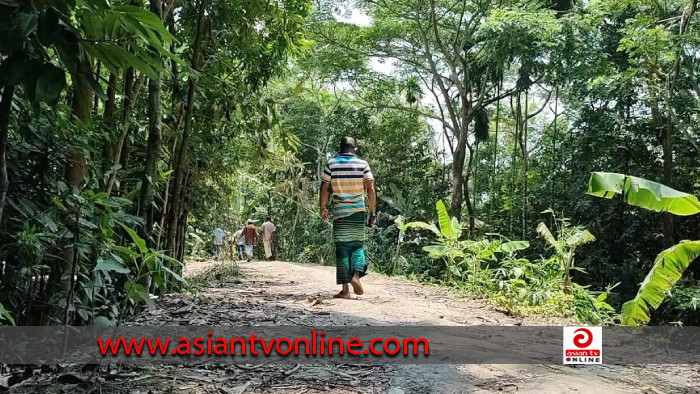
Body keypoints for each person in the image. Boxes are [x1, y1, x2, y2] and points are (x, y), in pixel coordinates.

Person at [319, 137, 376, 299]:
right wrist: (372, 211)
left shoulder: (332, 163)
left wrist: (322, 207)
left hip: (340, 213)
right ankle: (355, 276)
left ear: (340, 148)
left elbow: (324, 187)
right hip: (358, 211)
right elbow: (370, 188)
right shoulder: (363, 164)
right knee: (357, 246)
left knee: (342, 249)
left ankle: (345, 290)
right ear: (354, 149)